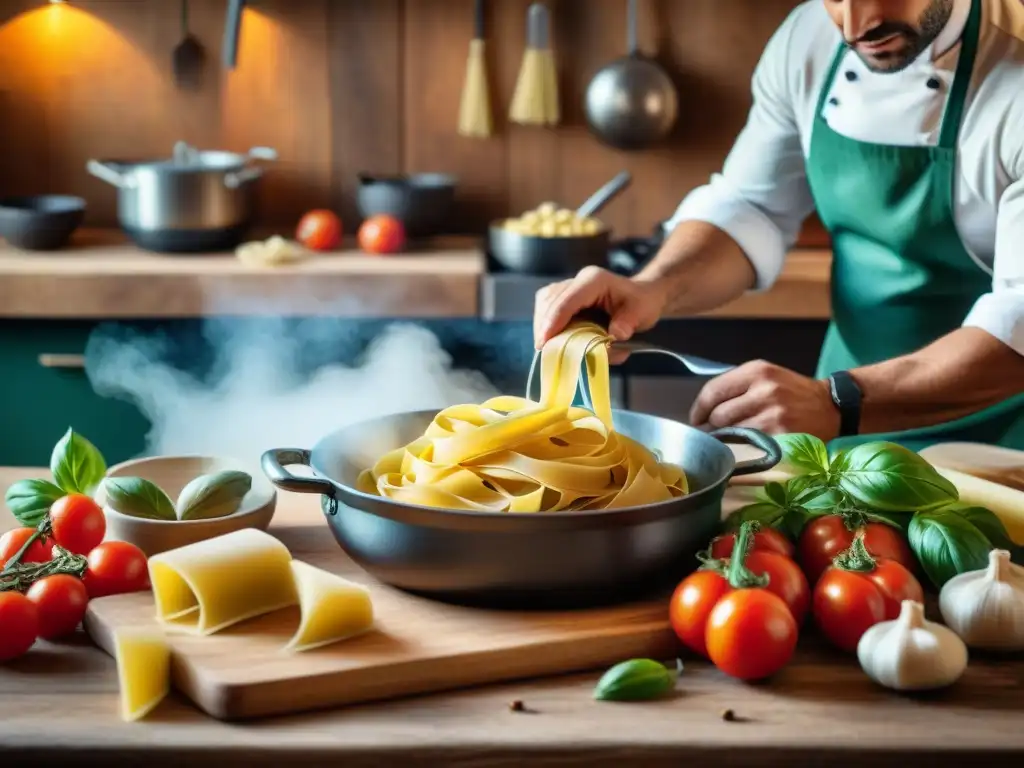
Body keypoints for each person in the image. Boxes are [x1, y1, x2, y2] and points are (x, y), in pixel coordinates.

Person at [533, 0, 1024, 451]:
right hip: (841, 426)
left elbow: (1018, 323)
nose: (854, 28)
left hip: (999, 438)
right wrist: (652, 288)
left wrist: (838, 402)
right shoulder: (809, 38)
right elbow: (753, 207)